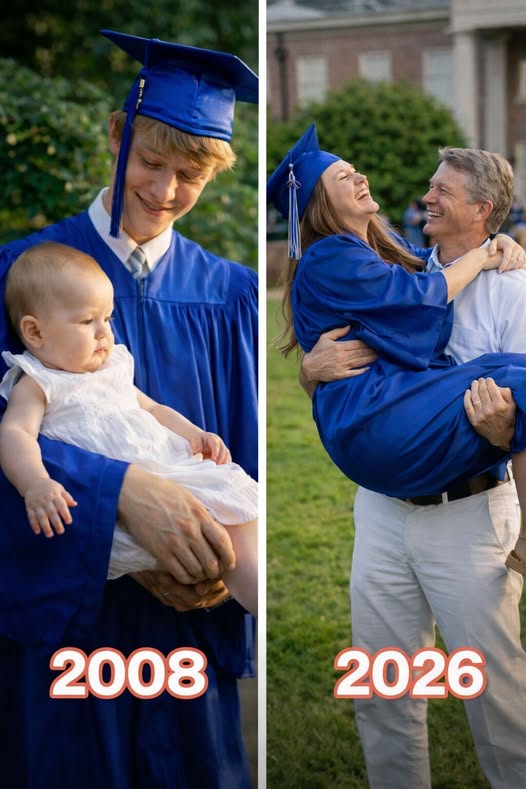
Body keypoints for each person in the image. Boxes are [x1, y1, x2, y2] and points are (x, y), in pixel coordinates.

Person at [0, 30, 258, 788]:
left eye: (191, 174)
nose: (165, 188)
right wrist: (122, 496)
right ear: (117, 136)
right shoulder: (22, 273)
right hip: (67, 621)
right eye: (150, 160)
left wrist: (219, 561)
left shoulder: (231, 294)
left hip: (189, 628)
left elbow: (238, 448)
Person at [275, 131, 526, 786]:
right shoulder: (407, 272)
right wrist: (309, 370)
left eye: (442, 190)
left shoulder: (512, 288)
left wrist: (504, 431)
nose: (424, 196)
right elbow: (364, 342)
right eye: (430, 187)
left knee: (497, 704)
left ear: (485, 211)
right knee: (384, 690)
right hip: (384, 514)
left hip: (468, 515)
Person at [268, 123, 526, 568]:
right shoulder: (335, 255)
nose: (361, 178)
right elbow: (419, 296)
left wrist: (496, 242)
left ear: (482, 209)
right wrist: (484, 254)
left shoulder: (399, 260)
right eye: (343, 177)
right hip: (382, 457)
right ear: (321, 204)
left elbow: (413, 284)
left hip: (460, 504)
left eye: (441, 190)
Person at [0, 242, 258, 616]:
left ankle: (257, 605)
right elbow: (15, 434)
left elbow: (152, 408)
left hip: (170, 476)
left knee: (236, 522)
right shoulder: (38, 382)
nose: (104, 333)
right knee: (232, 530)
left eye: (107, 318)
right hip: (111, 520)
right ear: (35, 333)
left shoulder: (111, 368)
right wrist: (35, 483)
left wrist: (193, 434)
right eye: (88, 321)